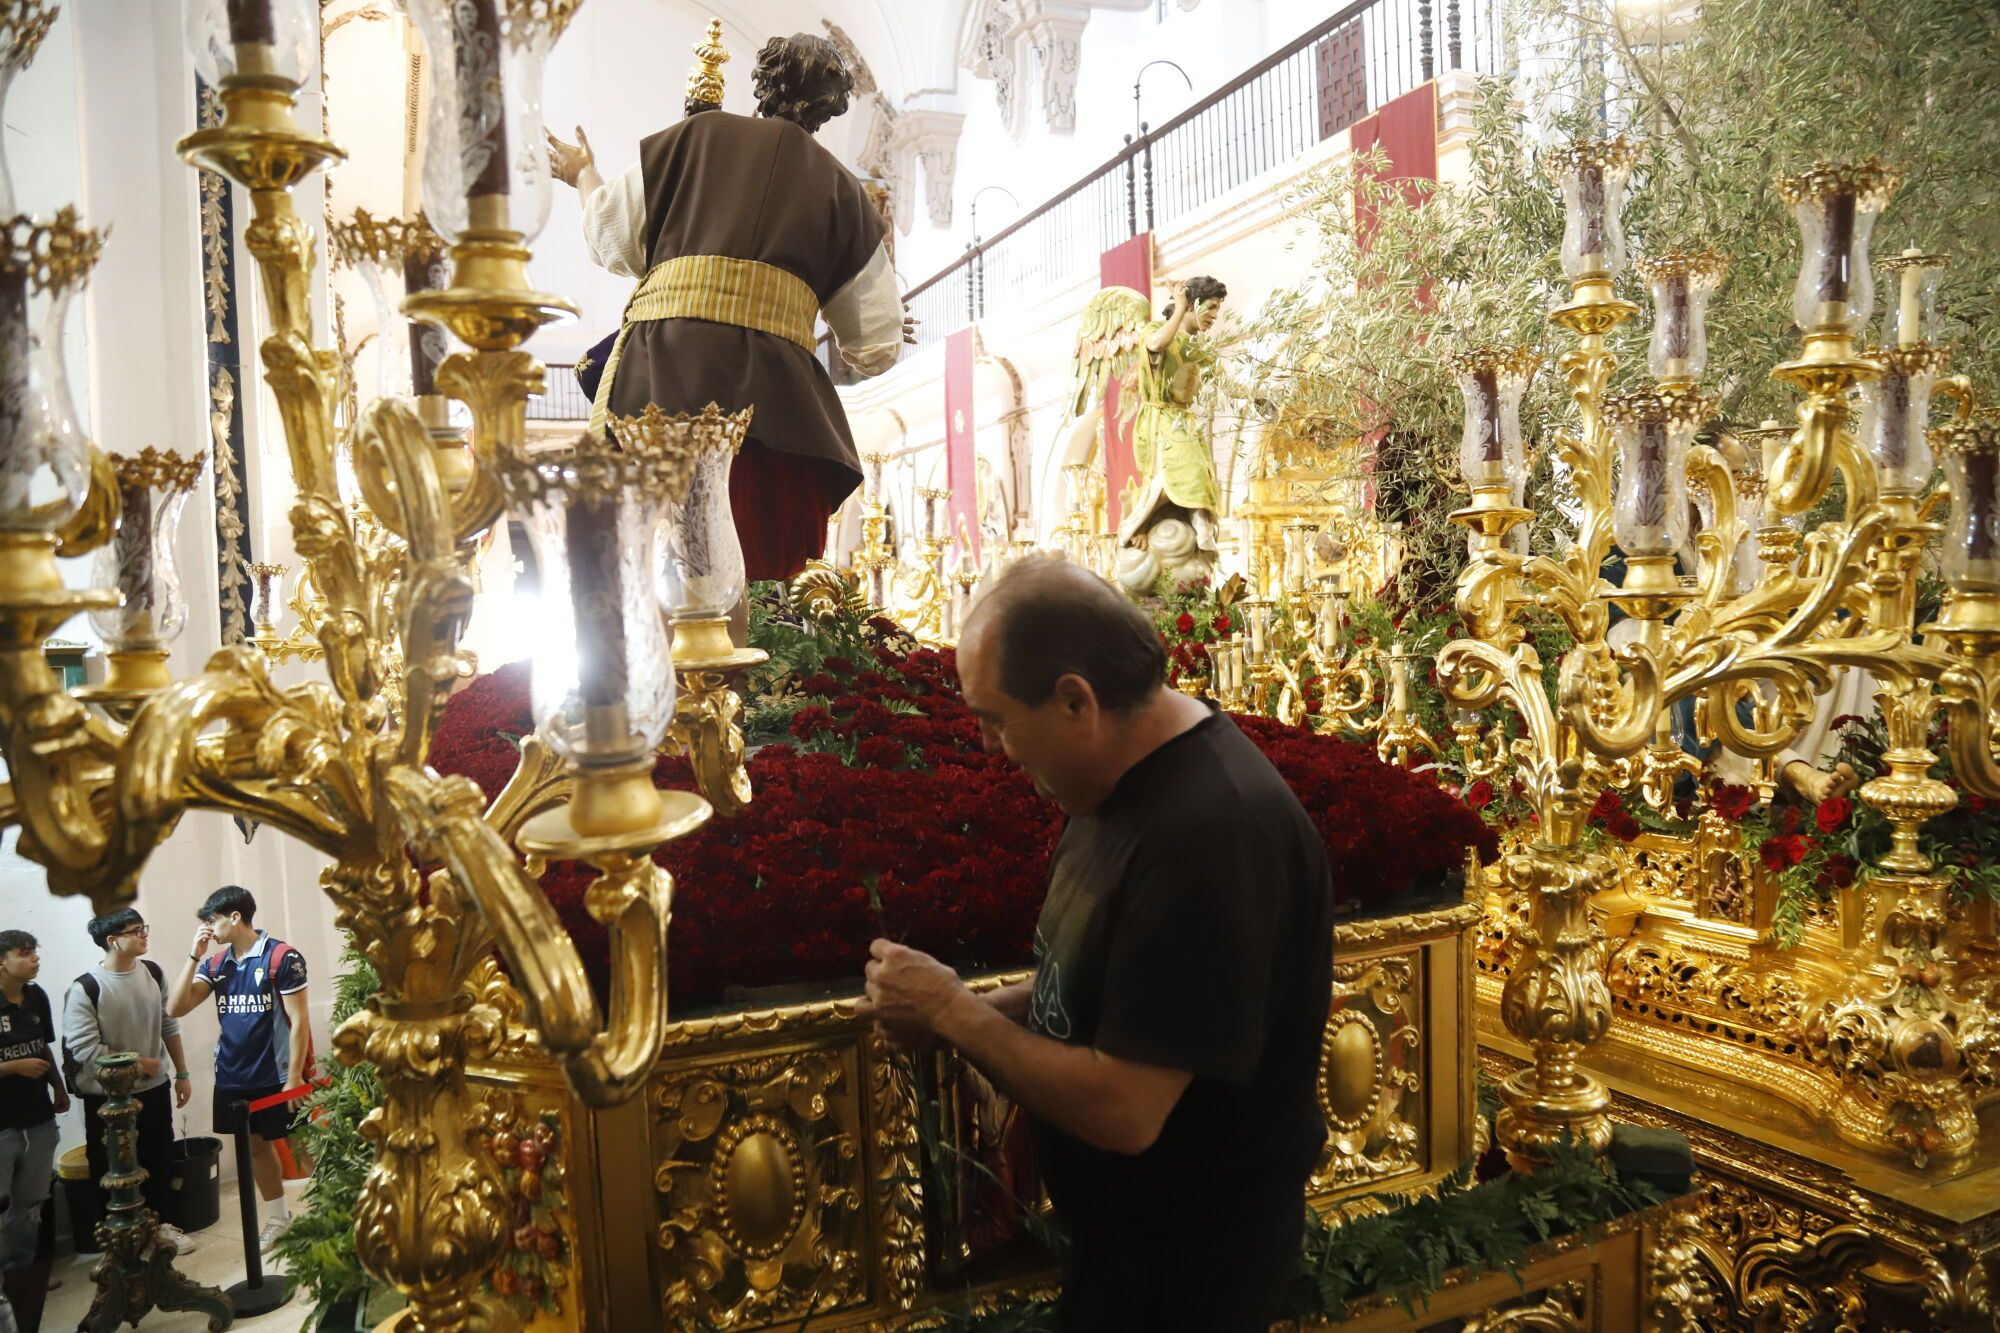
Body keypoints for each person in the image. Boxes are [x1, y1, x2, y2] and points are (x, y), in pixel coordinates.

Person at [858, 555, 1335, 1331]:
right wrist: (962, 1009)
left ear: (1075, 699)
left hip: (1189, 1269)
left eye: (995, 717)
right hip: (1126, 1245)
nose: (988, 745)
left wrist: (953, 1013)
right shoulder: (1116, 778)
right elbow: (1108, 986)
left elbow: (1126, 1108)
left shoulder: (1212, 833)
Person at [546, 32, 904, 608]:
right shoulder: (846, 193)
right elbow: (877, 343)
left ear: (763, 85)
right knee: (746, 585)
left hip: (661, 384)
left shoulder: (692, 139)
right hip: (776, 414)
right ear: (831, 107)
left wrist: (581, 174)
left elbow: (609, 234)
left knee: (650, 572)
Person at [167, 887, 311, 1254]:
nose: (208, 928)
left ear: (234, 917)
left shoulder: (282, 957)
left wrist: (295, 1077)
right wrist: (194, 955)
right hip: (234, 1076)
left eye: (212, 920)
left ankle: (331, 1210)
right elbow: (175, 1008)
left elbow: (299, 1020)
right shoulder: (217, 964)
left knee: (303, 1144)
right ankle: (278, 1219)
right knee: (255, 1147)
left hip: (278, 1074)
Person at [61, 909, 196, 1255]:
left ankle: (162, 1226)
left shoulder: (152, 973)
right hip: (106, 1098)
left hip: (154, 1088)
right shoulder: (86, 988)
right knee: (111, 1166)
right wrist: (137, 1063)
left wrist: (181, 1073)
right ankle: (120, 1241)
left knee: (159, 1157)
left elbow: (168, 1024)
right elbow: (85, 1048)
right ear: (112, 941)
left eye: (143, 928)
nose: (143, 935)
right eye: (135, 931)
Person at [0, 930, 66, 1286]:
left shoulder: (36, 996)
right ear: (2, 961)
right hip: (3, 1124)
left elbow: (42, 1047)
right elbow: (22, 1061)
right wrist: (12, 1067)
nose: (34, 958)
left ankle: (23, 1275)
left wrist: (58, 1086)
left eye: (34, 952)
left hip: (38, 1116)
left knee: (31, 1202)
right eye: (24, 953)